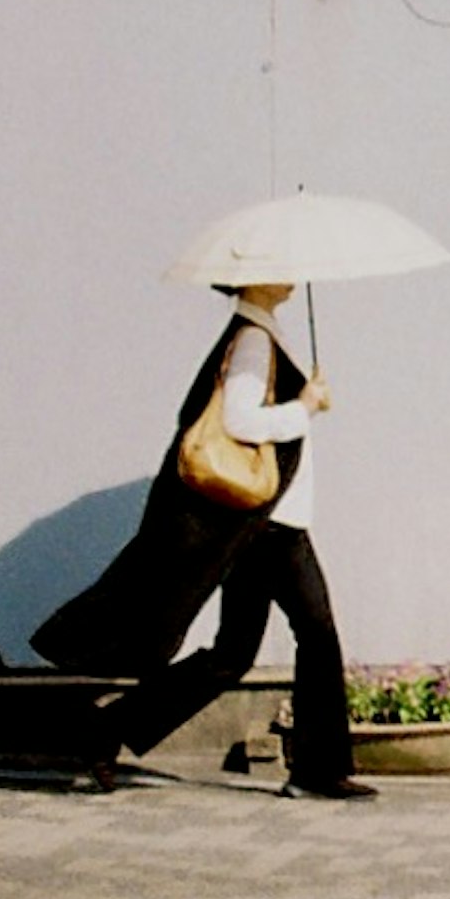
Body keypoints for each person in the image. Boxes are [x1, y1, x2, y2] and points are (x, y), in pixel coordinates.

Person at [33, 283, 371, 799]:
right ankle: (317, 769)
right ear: (255, 280)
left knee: (232, 655)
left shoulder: (257, 336)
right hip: (272, 526)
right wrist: (303, 407)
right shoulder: (254, 339)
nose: (291, 279)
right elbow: (239, 420)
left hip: (261, 524)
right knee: (317, 633)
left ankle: (106, 731)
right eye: (280, 271)